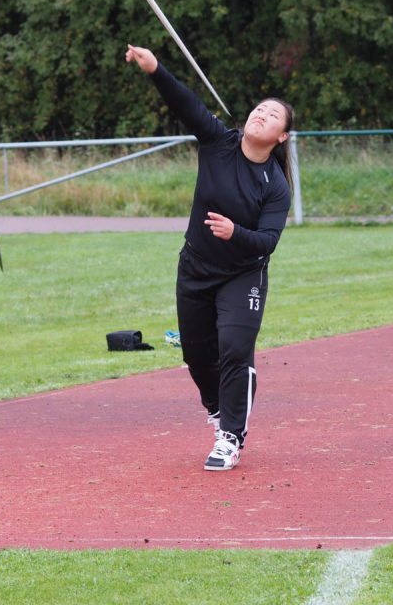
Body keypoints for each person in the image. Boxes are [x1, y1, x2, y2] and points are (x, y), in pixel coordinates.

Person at [125, 44, 294, 471]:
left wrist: (235, 232)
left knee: (235, 350)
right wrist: (155, 69)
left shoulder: (276, 185)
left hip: (243, 273)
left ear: (282, 137)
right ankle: (218, 409)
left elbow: (268, 241)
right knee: (197, 356)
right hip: (196, 267)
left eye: (272, 115)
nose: (261, 115)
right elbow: (186, 104)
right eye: (259, 109)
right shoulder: (219, 141)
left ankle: (231, 437)